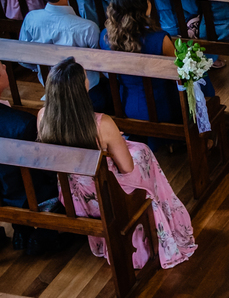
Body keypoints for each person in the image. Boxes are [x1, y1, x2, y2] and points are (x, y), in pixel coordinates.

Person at [37, 58, 196, 270]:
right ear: (80, 88)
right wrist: (115, 141)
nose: (88, 79)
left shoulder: (42, 117)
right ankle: (158, 231)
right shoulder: (102, 123)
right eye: (85, 77)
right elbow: (127, 169)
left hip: (74, 197)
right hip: (108, 197)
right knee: (143, 152)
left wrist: (110, 142)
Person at [100, 0, 212, 136]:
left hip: (126, 106)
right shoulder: (159, 39)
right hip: (162, 109)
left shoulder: (105, 37)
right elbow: (179, 75)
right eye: (148, 0)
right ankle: (206, 129)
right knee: (198, 73)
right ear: (144, 8)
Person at [19, 0, 107, 111]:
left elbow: (24, 58)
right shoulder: (88, 27)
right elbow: (100, 64)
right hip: (88, 92)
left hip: (50, 87)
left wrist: (43, 69)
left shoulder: (31, 19)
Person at [0, 63, 64, 256]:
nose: (4, 65)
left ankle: (21, 230)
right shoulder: (23, 124)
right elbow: (45, 168)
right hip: (26, 195)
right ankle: (44, 234)